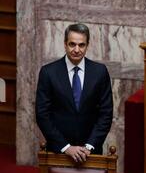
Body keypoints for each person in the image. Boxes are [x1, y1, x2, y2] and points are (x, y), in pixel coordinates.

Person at [36, 23, 113, 163]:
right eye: (72, 44)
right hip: (59, 151)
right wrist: (66, 147)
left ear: (87, 45)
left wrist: (90, 146)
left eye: (81, 45)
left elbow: (106, 113)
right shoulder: (48, 73)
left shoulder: (100, 72)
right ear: (65, 44)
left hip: (91, 152)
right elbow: (42, 114)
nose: (76, 50)